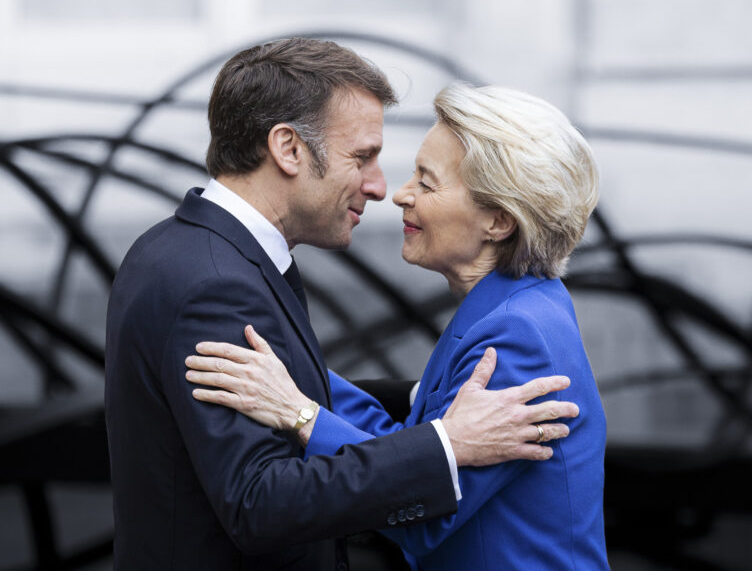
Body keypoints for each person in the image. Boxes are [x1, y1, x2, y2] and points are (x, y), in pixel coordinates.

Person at [104, 39, 580, 571]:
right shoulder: (215, 283)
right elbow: (259, 501)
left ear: (500, 220)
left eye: (426, 180)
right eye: (363, 158)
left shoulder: (181, 249)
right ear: (288, 149)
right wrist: (444, 436)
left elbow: (288, 399)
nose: (385, 189)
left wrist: (404, 405)